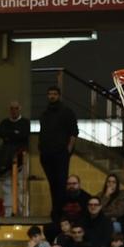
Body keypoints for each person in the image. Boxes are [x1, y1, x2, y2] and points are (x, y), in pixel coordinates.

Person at [39, 85, 79, 224]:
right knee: (52, 183)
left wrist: (68, 149)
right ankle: (56, 211)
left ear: (59, 95)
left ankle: (59, 212)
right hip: (46, 154)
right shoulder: (45, 114)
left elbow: (74, 132)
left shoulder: (67, 112)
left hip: (60, 153)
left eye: (54, 94)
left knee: (61, 184)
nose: (52, 96)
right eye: (50, 94)